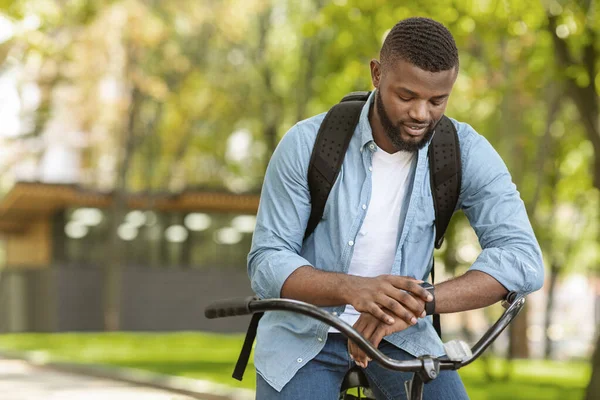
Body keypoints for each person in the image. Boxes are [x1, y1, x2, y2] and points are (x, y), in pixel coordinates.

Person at [247, 16, 544, 400]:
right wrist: (353, 290)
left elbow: (522, 257)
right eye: (406, 96)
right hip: (303, 336)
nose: (422, 114)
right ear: (376, 74)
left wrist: (414, 303)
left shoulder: (464, 151)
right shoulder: (306, 144)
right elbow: (267, 261)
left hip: (403, 335)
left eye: (437, 100)